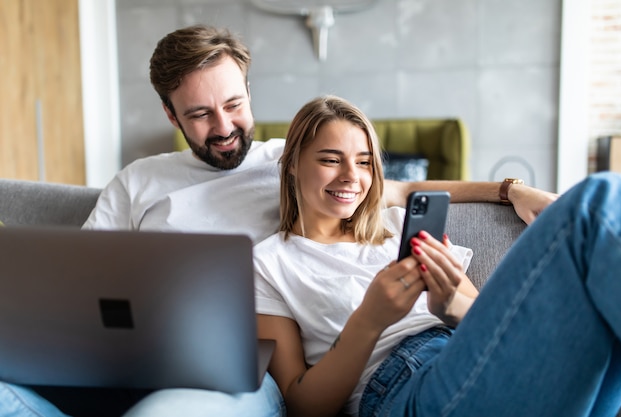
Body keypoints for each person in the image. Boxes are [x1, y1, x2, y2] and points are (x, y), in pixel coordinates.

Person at [0, 25, 556, 417]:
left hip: (248, 374)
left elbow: (395, 187)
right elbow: (80, 283)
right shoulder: (138, 183)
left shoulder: (290, 159)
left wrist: (512, 190)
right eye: (198, 114)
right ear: (171, 115)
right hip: (144, 358)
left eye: (234, 105)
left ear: (248, 92)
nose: (223, 127)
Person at [254, 95, 621, 417]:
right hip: (405, 387)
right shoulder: (269, 263)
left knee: (610, 205)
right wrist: (369, 320)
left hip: (467, 355)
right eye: (331, 160)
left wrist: (450, 307)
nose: (352, 176)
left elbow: (490, 327)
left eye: (365, 162)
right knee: (597, 199)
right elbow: (301, 405)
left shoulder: (400, 226)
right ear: (291, 164)